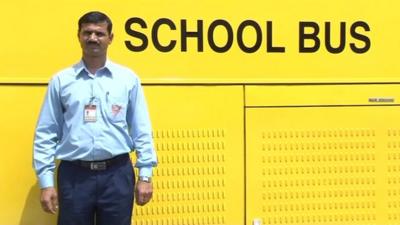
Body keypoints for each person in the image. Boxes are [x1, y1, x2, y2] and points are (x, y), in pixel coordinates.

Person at [33, 11, 157, 225]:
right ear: (78, 36)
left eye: (99, 33)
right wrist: (46, 182)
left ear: (110, 38)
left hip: (117, 175)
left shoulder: (127, 79)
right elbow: (46, 132)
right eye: (87, 32)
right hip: (74, 176)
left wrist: (145, 175)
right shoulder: (61, 81)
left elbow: (141, 129)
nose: (92, 38)